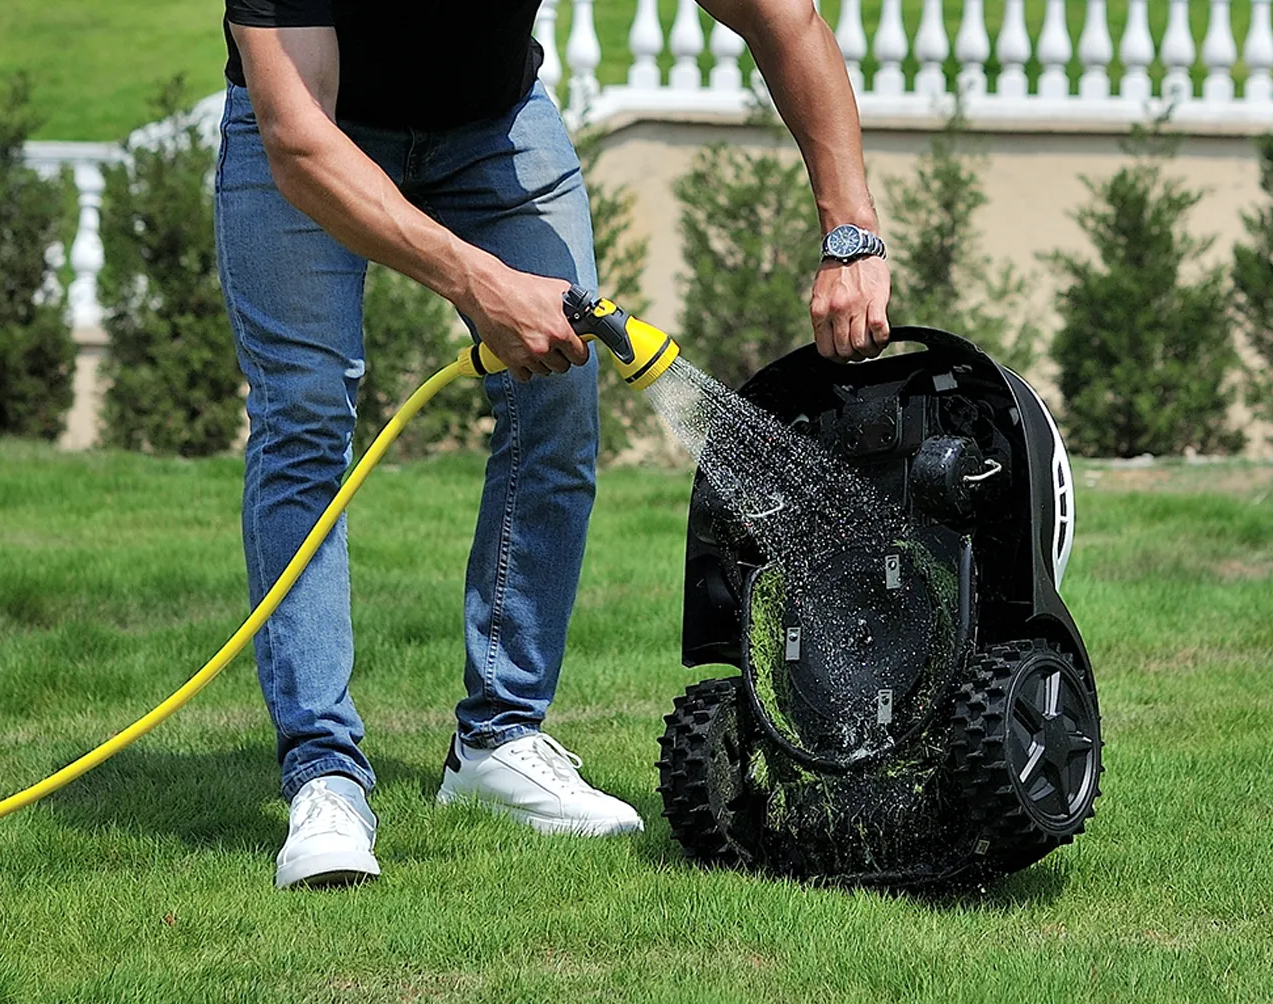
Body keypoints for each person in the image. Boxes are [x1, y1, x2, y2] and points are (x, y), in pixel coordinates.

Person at [218, 0, 893, 890]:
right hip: (314, 138)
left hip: (493, 126)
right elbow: (299, 142)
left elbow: (783, 17)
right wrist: (484, 282)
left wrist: (850, 234)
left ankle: (498, 739)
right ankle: (324, 776)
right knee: (304, 421)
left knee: (559, 403)